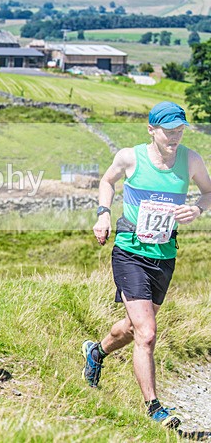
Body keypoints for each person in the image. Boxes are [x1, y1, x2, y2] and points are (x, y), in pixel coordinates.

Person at [83, 101, 211, 430]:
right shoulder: (131, 157)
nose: (175, 136)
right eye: (169, 131)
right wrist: (104, 214)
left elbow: (209, 193)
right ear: (151, 130)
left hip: (164, 254)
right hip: (129, 250)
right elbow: (107, 182)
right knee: (148, 333)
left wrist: (197, 210)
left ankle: (96, 352)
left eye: (180, 130)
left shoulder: (191, 160)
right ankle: (154, 408)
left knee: (131, 327)